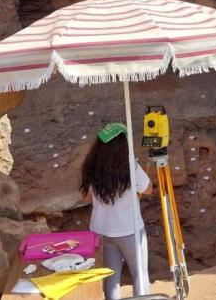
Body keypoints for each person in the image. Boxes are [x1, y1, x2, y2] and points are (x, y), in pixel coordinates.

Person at [80, 123, 152, 299]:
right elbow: (148, 189)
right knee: (139, 276)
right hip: (130, 232)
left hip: (101, 232)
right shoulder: (130, 166)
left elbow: (86, 198)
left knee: (111, 280)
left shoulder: (92, 167)